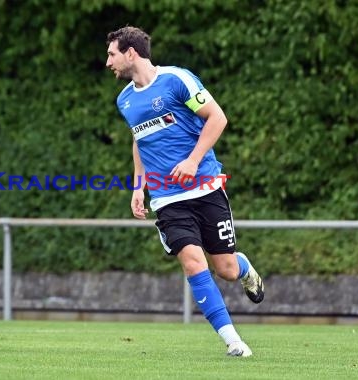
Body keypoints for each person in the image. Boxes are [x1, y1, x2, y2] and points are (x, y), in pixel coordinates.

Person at [106, 26, 264, 357]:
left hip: (205, 186)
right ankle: (233, 341)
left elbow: (217, 118)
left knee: (227, 270)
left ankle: (245, 269)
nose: (108, 62)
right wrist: (139, 186)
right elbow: (140, 141)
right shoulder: (125, 100)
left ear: (131, 53)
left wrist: (192, 161)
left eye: (112, 54)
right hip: (167, 198)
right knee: (193, 263)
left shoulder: (178, 80)